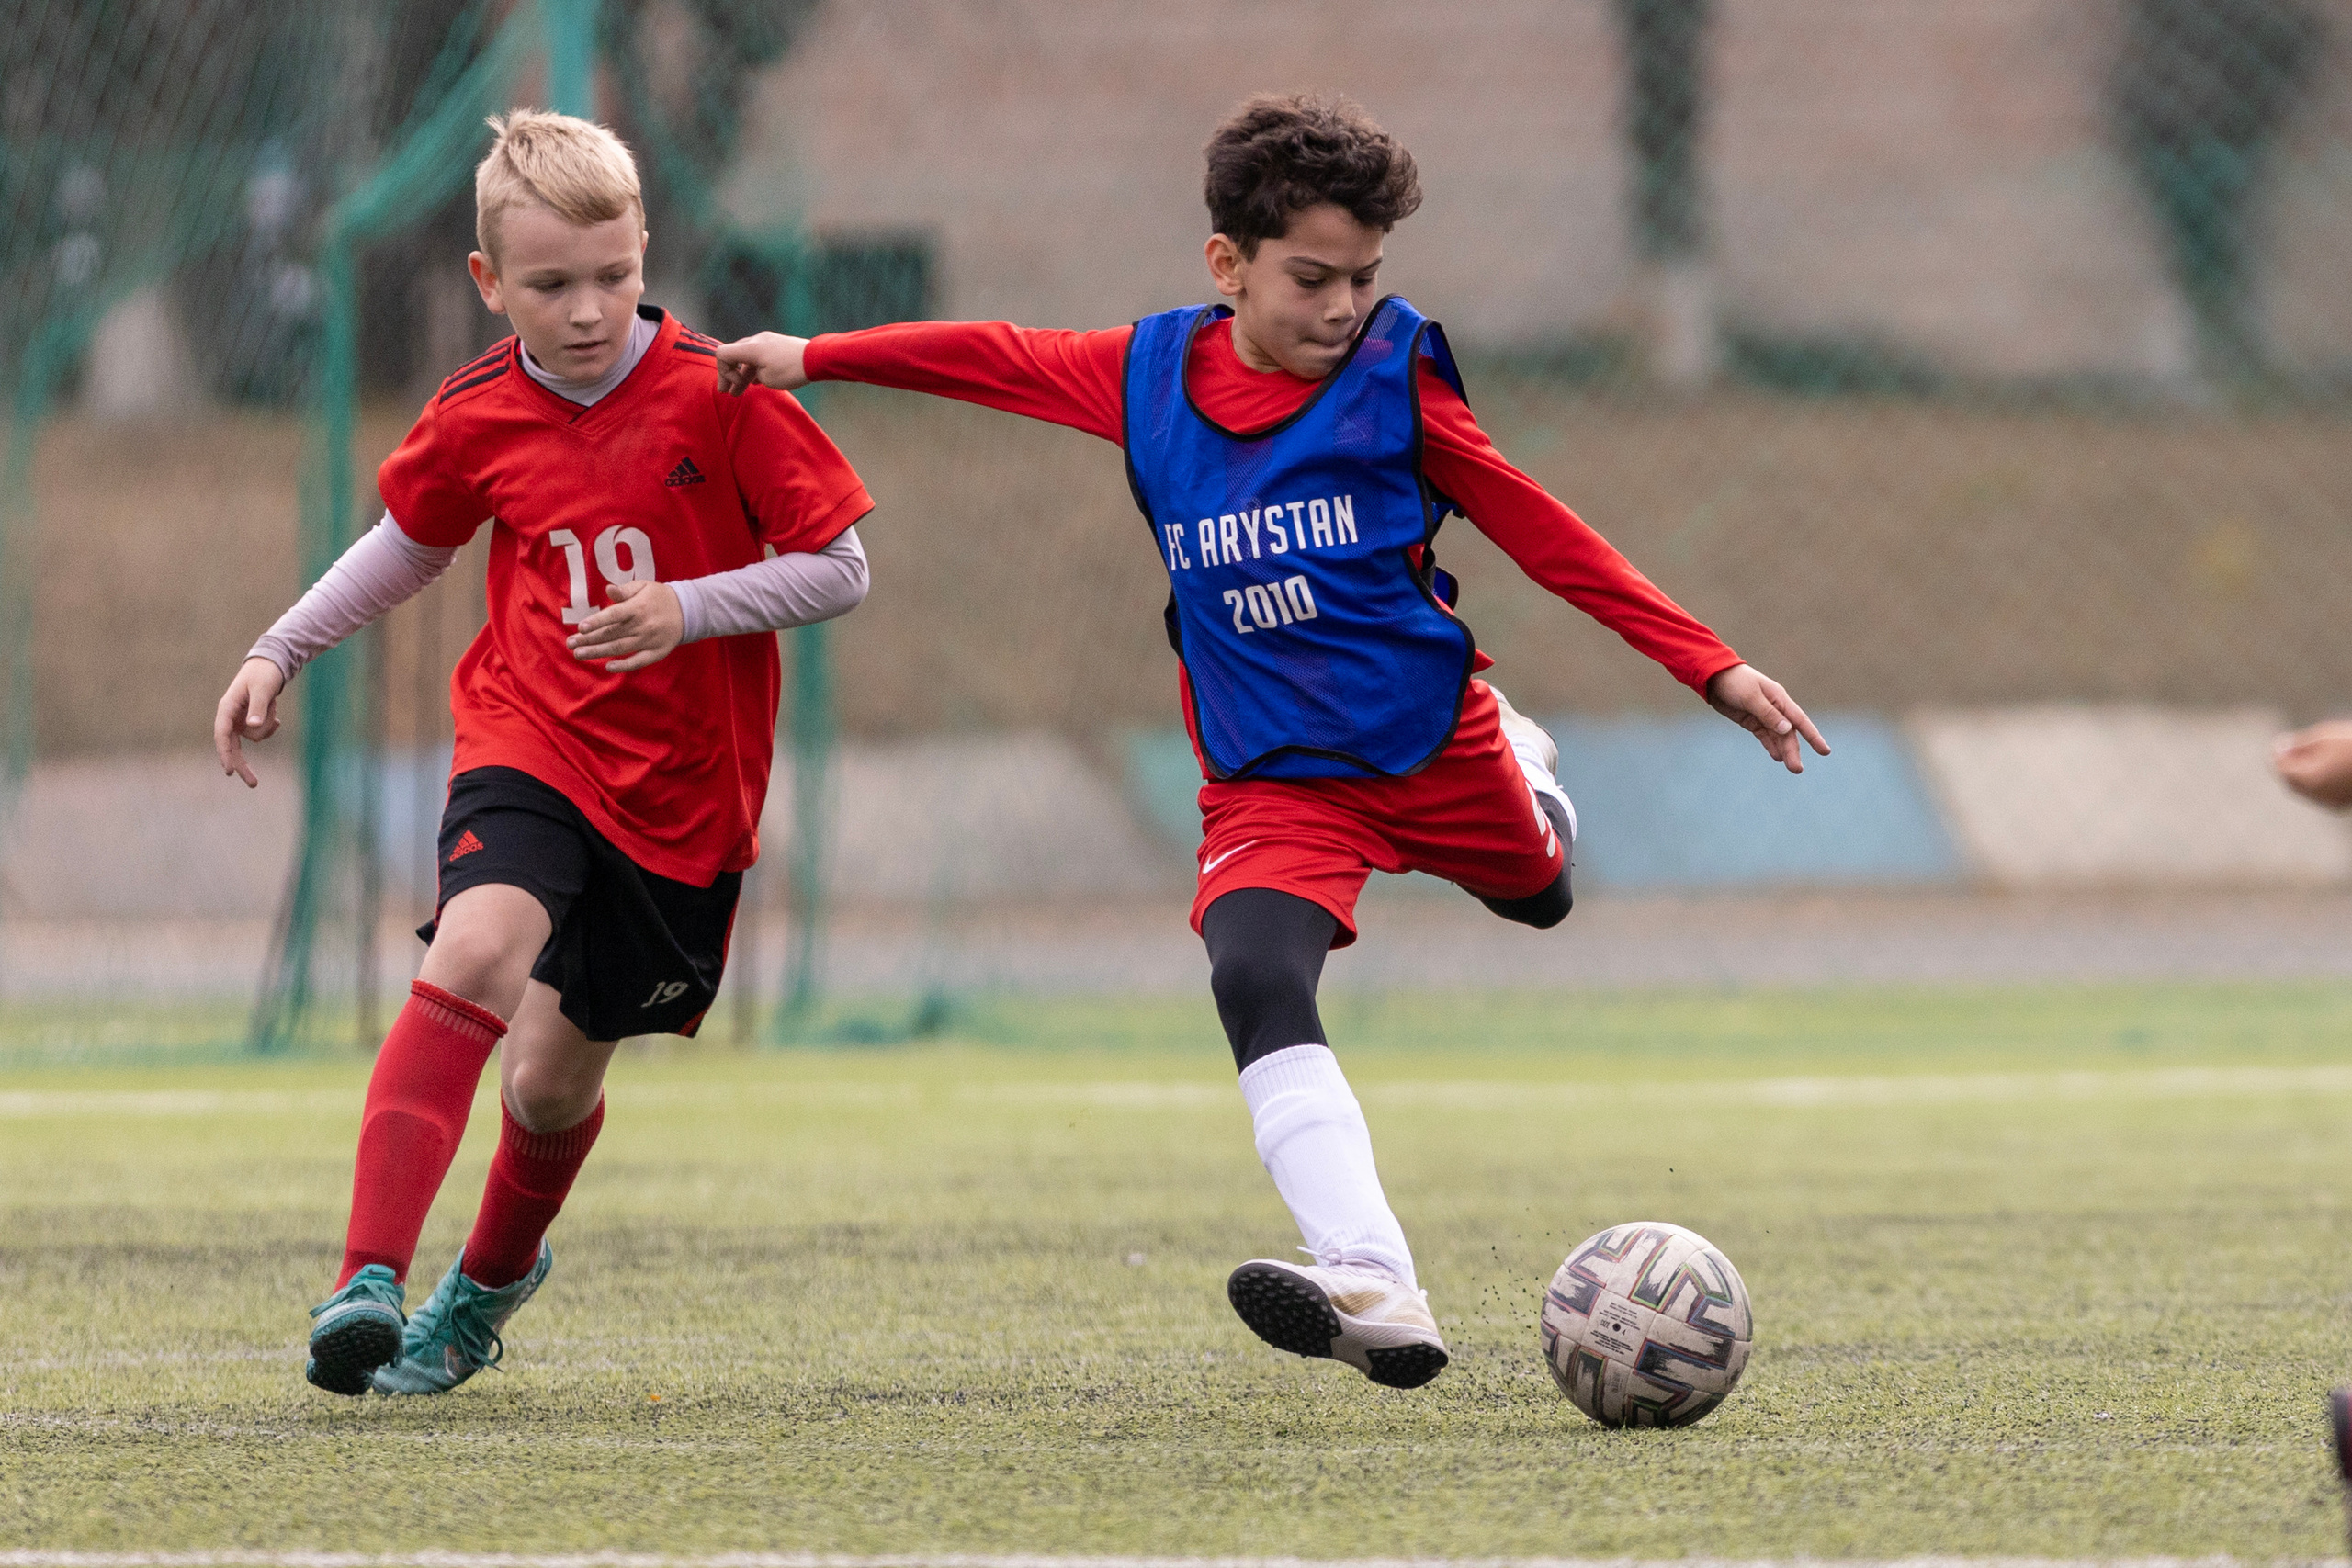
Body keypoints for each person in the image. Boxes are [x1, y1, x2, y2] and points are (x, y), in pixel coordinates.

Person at [714, 92, 1827, 1390]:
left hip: (1432, 741)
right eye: (1311, 277)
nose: (1343, 304)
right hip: (1273, 777)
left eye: (1363, 276)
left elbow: (1538, 527)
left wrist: (1713, 665)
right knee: (1252, 971)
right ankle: (1375, 1279)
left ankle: (1532, 772)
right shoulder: (1143, 377)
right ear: (1227, 266)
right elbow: (994, 354)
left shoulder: (1394, 379)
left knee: (1539, 896)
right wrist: (814, 354)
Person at [214, 109, 876, 1397]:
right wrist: (279, 648)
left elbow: (842, 569)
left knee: (551, 1084)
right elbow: (412, 542)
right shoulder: (475, 413)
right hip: (529, 736)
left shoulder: (722, 392)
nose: (588, 310)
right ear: (488, 282)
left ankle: (489, 1285)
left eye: (615, 277)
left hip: (686, 796)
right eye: (551, 285)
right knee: (476, 946)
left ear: (646, 254)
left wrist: (690, 607)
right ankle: (366, 1280)